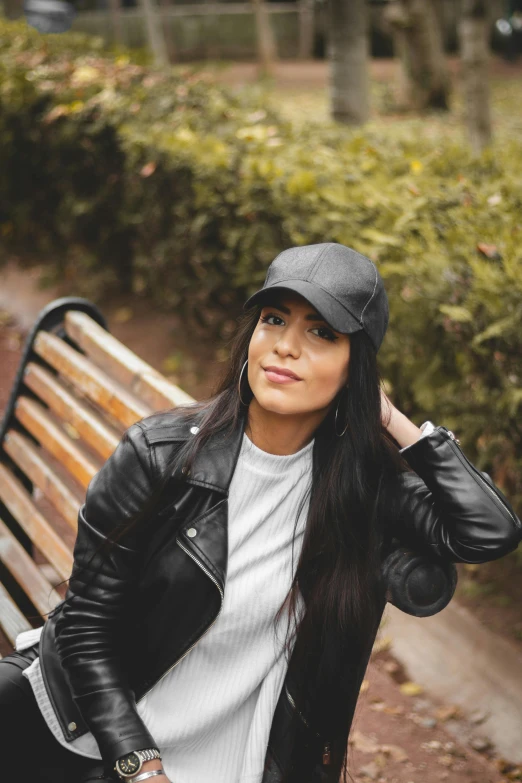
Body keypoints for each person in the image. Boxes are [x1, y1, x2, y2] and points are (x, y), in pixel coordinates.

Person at [0, 242, 520, 783]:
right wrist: (141, 768)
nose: (286, 347)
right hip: (85, 736)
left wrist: (388, 416)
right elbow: (87, 628)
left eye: (322, 332)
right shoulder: (158, 455)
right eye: (274, 320)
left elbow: (489, 531)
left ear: (356, 365)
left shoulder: (363, 493)